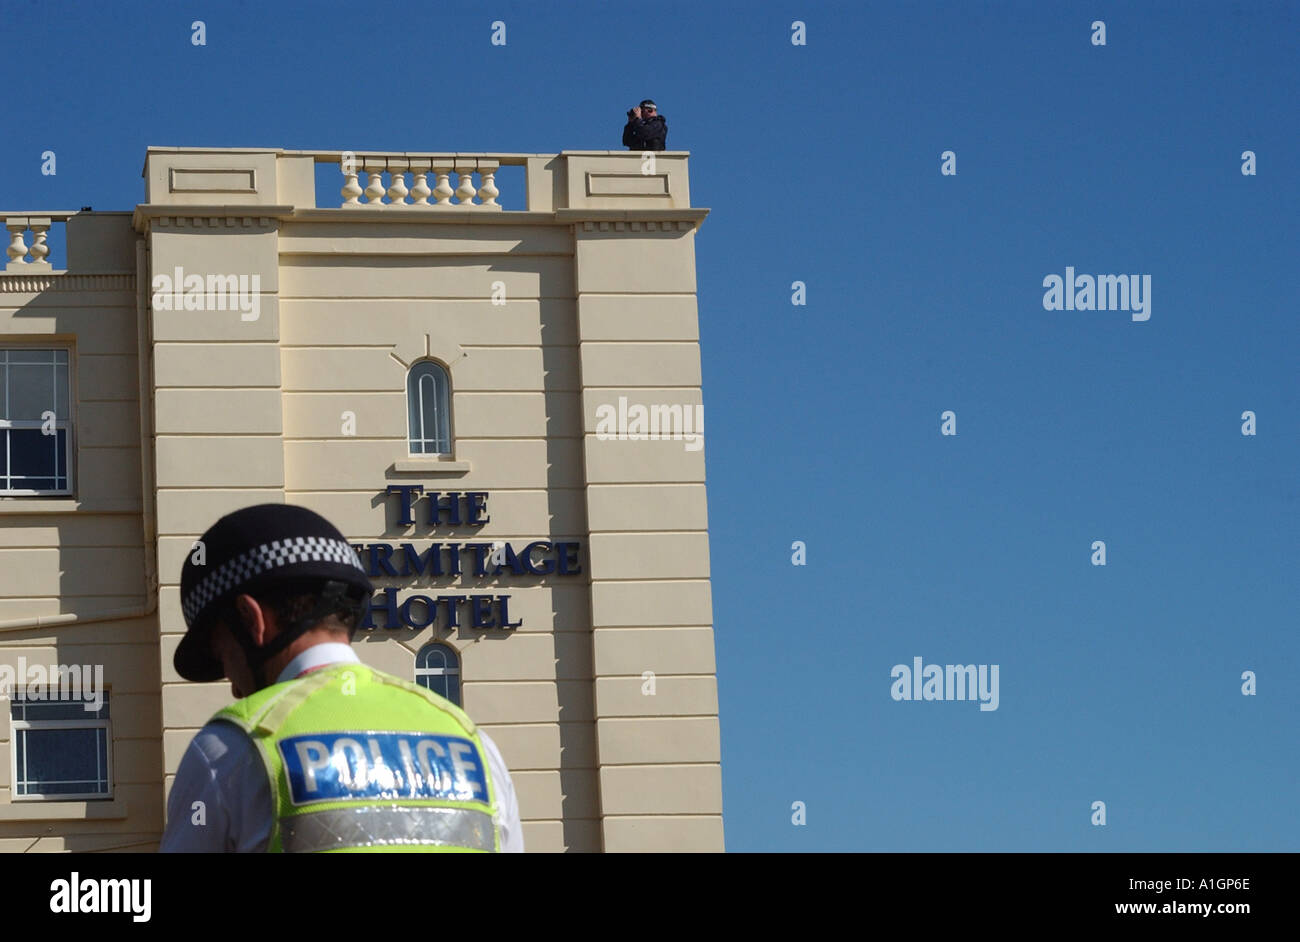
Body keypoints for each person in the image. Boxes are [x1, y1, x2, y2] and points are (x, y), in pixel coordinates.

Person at [159, 503, 523, 853]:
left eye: (224, 656)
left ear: (251, 618)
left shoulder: (231, 750)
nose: (235, 687)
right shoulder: (473, 743)